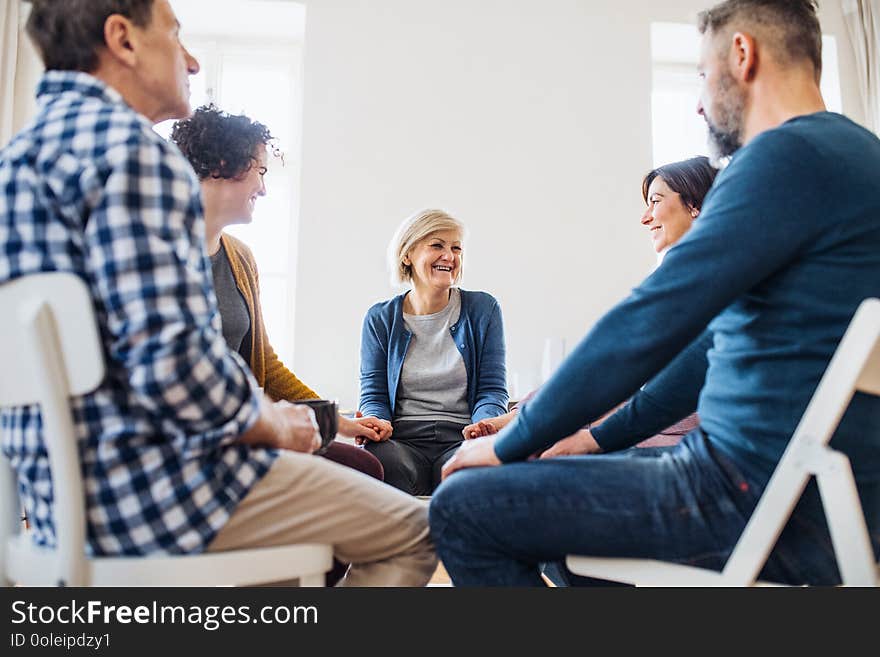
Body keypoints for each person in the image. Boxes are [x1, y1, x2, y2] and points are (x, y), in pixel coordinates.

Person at [430, 0, 880, 586]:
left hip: (743, 494)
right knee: (560, 544)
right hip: (826, 496)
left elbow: (648, 321)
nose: (699, 99)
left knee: (463, 506)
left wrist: (515, 438)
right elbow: (703, 354)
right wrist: (593, 437)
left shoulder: (783, 158)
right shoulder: (858, 159)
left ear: (742, 54)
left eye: (701, 73)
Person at [0, 0, 436, 587]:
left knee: (282, 571)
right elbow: (176, 370)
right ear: (122, 40)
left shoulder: (13, 163)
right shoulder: (137, 157)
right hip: (152, 497)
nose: (193, 60)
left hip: (55, 504)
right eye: (176, 36)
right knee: (424, 529)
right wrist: (280, 424)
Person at [170, 105, 385, 482]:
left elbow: (265, 366)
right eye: (261, 171)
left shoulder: (240, 256)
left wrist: (336, 421)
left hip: (253, 424)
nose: (264, 188)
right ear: (225, 165)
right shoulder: (159, 255)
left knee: (365, 464)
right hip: (213, 435)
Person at [462, 156, 717, 457]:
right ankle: (525, 417)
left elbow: (618, 363)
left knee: (535, 449)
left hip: (676, 426)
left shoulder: (698, 276)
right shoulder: (687, 272)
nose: (645, 217)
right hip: (657, 416)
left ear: (694, 205)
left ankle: (524, 419)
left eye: (655, 201)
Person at [359, 209, 508, 495]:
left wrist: (484, 427)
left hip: (461, 435)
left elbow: (492, 389)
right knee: (381, 462)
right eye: (437, 245)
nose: (449, 257)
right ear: (407, 255)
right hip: (401, 439)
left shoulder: (483, 309)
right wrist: (376, 422)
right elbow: (373, 394)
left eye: (456, 248)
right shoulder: (380, 318)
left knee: (469, 471)